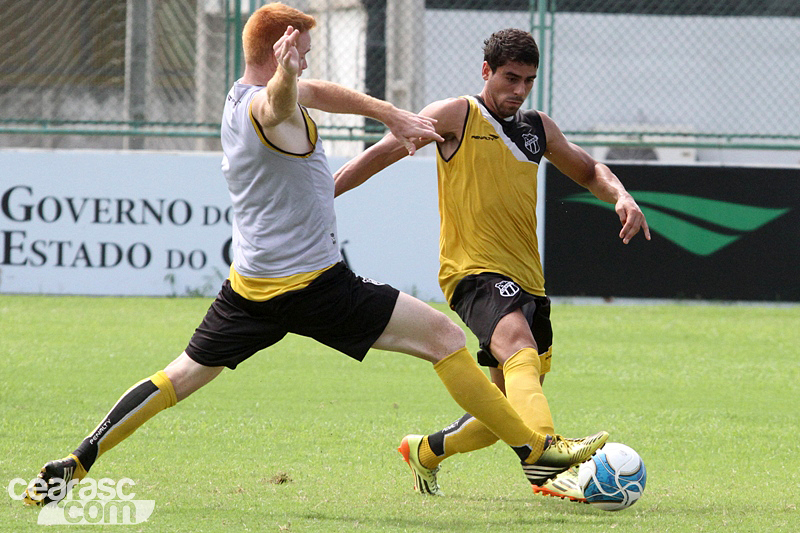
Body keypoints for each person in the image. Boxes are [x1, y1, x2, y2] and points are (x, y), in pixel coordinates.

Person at [23, 7, 608, 507]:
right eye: (303, 48)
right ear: (279, 52)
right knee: (446, 341)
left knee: (178, 376)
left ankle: (77, 460)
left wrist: (387, 113)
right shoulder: (267, 106)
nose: (308, 59)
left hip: (249, 289)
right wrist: (289, 75)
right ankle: (535, 453)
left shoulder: (236, 96)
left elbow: (310, 93)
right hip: (315, 286)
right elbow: (281, 102)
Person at [334, 28, 650, 501]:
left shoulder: (537, 128)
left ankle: (426, 450)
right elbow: (379, 156)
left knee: (503, 408)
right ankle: (548, 459)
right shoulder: (455, 115)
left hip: (529, 278)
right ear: (486, 71)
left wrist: (620, 194)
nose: (518, 90)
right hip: (471, 270)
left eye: (528, 80)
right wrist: (318, 197)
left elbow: (587, 170)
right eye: (509, 77)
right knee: (518, 348)